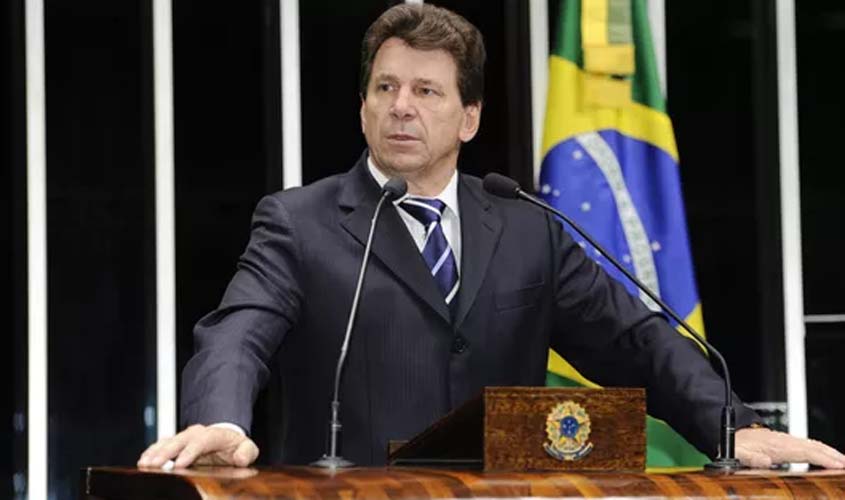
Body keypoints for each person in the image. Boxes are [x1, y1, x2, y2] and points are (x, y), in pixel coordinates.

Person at [138, 4, 845, 470]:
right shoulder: (299, 222)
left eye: (426, 91)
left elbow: (636, 341)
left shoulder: (526, 225)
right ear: (362, 108)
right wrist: (221, 421)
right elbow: (236, 335)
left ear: (468, 118)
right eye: (385, 88)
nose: (401, 107)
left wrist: (731, 428)